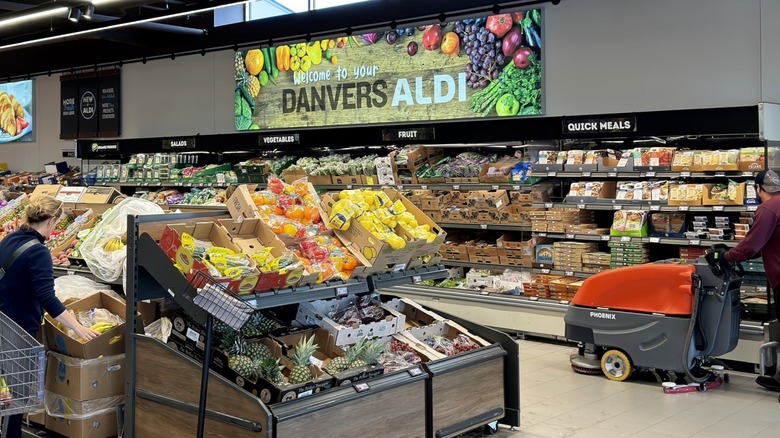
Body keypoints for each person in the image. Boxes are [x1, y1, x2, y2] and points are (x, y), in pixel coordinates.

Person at [0, 195, 100, 438]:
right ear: (53, 220)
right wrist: (78, 328)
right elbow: (47, 297)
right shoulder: (38, 252)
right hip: (18, 328)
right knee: (18, 394)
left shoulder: (10, 239)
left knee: (6, 390)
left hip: (3, 320)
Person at [709, 169, 780, 391]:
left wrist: (725, 256)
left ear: (758, 189)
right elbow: (766, 243)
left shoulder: (768, 209)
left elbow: (751, 245)